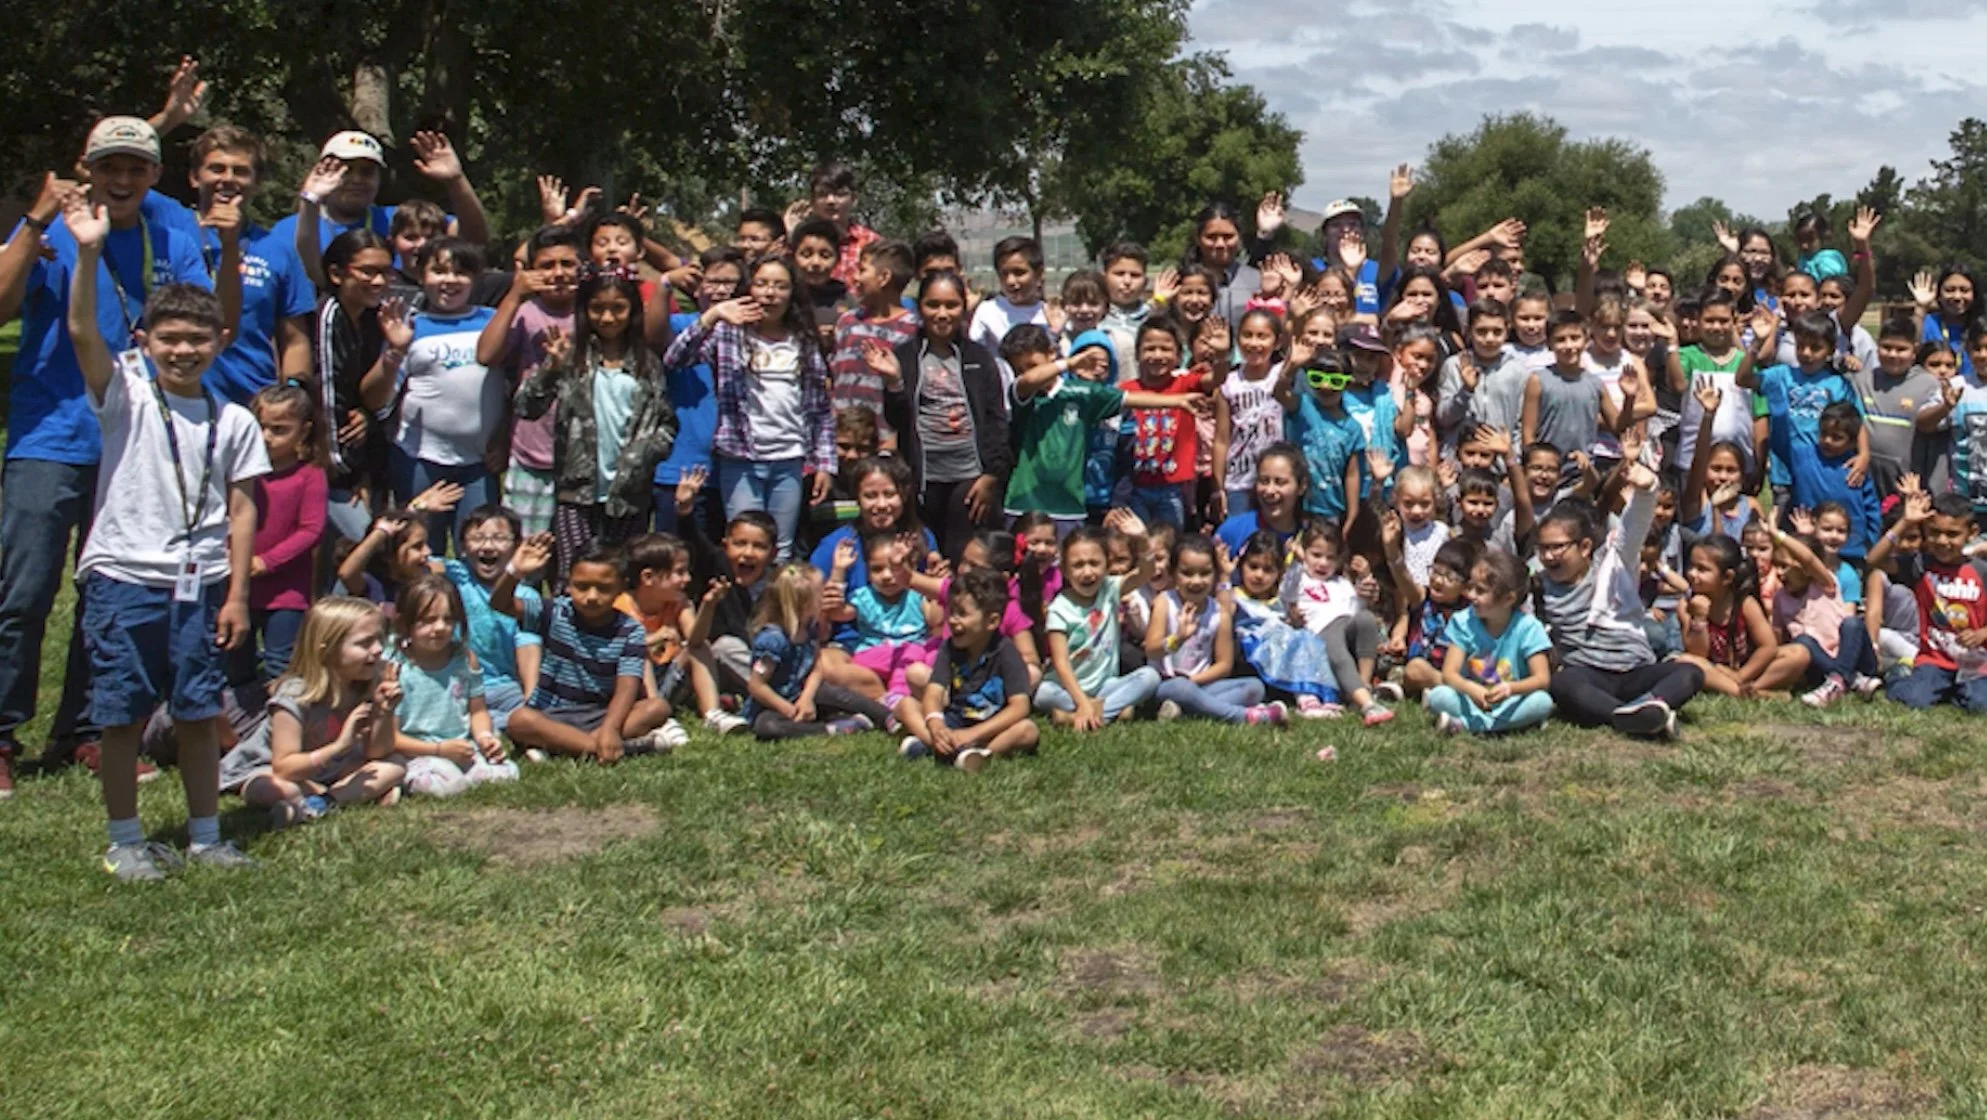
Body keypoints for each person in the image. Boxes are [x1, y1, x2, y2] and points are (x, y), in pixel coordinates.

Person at [0, 119, 232, 785]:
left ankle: (85, 728)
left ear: (154, 177)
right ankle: (3, 736)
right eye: (110, 167)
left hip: (133, 440)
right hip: (51, 434)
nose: (122, 180)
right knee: (24, 590)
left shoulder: (171, 237)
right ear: (87, 169)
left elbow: (202, 320)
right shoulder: (52, 234)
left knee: (108, 592)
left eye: (136, 168)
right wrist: (36, 224)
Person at [63, 194, 264, 876]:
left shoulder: (233, 418)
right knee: (120, 717)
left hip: (202, 583)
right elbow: (82, 330)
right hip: (126, 576)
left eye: (196, 339)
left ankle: (205, 838)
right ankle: (125, 841)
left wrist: (236, 593)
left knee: (198, 712)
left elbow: (242, 510)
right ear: (144, 342)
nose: (182, 349)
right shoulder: (123, 392)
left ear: (220, 343)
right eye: (168, 338)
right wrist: (88, 253)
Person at [663, 254, 836, 561]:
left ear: (792, 293)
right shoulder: (728, 332)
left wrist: (824, 463)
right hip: (741, 458)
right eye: (762, 284)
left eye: (780, 286)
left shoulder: (803, 340)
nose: (770, 293)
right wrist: (712, 315)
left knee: (780, 550)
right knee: (745, 549)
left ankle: (774, 608)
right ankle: (744, 608)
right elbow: (675, 358)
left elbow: (819, 409)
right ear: (749, 288)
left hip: (790, 459)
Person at [516, 266, 678, 573]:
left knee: (622, 576)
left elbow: (666, 423)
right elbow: (526, 407)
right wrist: (551, 368)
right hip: (577, 492)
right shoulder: (571, 357)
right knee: (574, 573)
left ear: (631, 310)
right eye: (597, 308)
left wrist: (645, 455)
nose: (607, 318)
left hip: (629, 494)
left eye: (617, 308)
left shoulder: (647, 363)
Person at [1533, 468, 1705, 739]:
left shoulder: (1612, 565)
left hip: (1635, 668)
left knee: (1690, 673)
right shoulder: (1539, 584)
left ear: (1585, 547)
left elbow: (1632, 529)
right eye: (1543, 548)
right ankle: (1630, 716)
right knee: (1563, 684)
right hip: (1589, 673)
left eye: (1557, 547)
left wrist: (1647, 491)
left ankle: (1640, 710)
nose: (1549, 556)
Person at [869, 270, 1010, 559]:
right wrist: (894, 382)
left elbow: (996, 420)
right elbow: (897, 421)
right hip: (924, 478)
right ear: (920, 307)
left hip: (970, 478)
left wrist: (991, 475)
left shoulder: (979, 358)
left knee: (964, 555)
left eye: (951, 305)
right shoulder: (905, 356)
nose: (942, 313)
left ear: (963, 307)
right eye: (933, 305)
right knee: (926, 555)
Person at [175, 126, 316, 406]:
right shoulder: (167, 231)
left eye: (240, 171)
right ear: (194, 177)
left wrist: (291, 392)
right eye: (216, 168)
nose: (227, 179)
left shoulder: (277, 250)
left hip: (251, 401)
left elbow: (295, 340)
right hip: (176, 396)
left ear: (257, 182)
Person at [235, 598, 406, 829]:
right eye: (365, 643)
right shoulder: (295, 695)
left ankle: (321, 803)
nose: (377, 650)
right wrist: (339, 747)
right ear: (328, 652)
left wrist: (384, 712)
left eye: (379, 640)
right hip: (275, 769)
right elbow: (284, 767)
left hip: (331, 769)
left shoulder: (367, 683)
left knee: (394, 764)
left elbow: (378, 752)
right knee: (270, 787)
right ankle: (345, 795)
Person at [385, 238, 502, 546]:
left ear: (476, 278)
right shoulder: (408, 326)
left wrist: (505, 436)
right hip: (420, 458)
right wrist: (394, 351)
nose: (450, 280)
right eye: (438, 271)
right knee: (420, 549)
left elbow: (514, 384)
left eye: (461, 272)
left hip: (479, 462)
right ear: (422, 276)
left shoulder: (493, 320)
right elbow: (380, 396)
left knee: (480, 548)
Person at [477, 224, 586, 537]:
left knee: (574, 558)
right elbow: (486, 355)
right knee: (526, 551)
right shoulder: (525, 312)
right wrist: (514, 295)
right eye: (547, 266)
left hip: (584, 461)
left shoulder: (595, 312)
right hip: (532, 456)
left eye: (567, 264)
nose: (558, 273)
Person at [283, 129, 488, 278]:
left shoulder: (398, 220)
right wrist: (309, 201)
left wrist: (456, 181)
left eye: (367, 172)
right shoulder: (290, 228)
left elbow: (473, 239)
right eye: (345, 170)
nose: (356, 180)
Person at [388, 574, 520, 797]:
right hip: (416, 752)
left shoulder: (465, 659)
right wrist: (439, 750)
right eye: (428, 620)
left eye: (448, 619)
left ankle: (465, 774)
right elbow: (391, 737)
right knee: (445, 786)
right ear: (404, 622)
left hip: (461, 747)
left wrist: (485, 738)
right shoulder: (395, 667)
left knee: (507, 773)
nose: (440, 627)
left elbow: (477, 711)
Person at [895, 568, 1041, 770]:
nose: (953, 620)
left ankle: (981, 753)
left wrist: (973, 734)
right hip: (953, 723)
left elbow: (1020, 706)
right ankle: (941, 745)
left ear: (992, 621)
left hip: (990, 729)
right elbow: (934, 692)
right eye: (952, 612)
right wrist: (936, 724)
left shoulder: (1006, 652)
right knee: (906, 705)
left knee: (1028, 730)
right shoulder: (949, 647)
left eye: (962, 614)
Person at [1146, 534, 1287, 725]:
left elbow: (1224, 664)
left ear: (1214, 574)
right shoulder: (1165, 602)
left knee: (1255, 687)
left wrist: (1194, 681)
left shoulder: (1218, 613)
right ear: (1173, 573)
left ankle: (1185, 711)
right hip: (1167, 684)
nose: (1196, 581)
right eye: (1187, 573)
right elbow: (1151, 649)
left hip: (1201, 684)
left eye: (1205, 573)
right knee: (1181, 689)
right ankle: (1246, 717)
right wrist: (1176, 640)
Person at [652, 246, 744, 537]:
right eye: (712, 282)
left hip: (734, 471)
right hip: (680, 469)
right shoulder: (682, 325)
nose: (720, 290)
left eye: (729, 283)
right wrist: (665, 283)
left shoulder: (753, 333)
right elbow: (654, 336)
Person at [1035, 519, 1162, 728]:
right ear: (1065, 571)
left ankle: (1084, 715)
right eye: (1078, 565)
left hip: (1105, 686)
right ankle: (1106, 710)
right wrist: (1082, 701)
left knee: (1150, 677)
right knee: (1043, 694)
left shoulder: (1109, 589)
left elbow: (1145, 573)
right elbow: (1061, 664)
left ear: (1107, 565)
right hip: (1068, 688)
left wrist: (1142, 540)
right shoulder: (1059, 608)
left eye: (1094, 563)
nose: (1087, 573)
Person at [745, 561, 893, 739]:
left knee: (838, 694)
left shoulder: (809, 629)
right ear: (805, 604)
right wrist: (787, 709)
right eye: (820, 594)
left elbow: (816, 667)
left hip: (804, 693)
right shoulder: (773, 640)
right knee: (767, 726)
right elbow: (757, 685)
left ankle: (888, 717)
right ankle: (829, 729)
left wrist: (806, 698)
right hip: (774, 705)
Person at [242, 384, 327, 680]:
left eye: (279, 430)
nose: (266, 437)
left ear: (303, 432)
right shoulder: (240, 474)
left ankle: (281, 725)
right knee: (235, 667)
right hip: (238, 585)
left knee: (282, 668)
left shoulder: (310, 475)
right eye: (260, 427)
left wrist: (267, 561)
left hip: (287, 592)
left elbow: (311, 529)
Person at [1427, 549, 1555, 736]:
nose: (1471, 595)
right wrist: (1471, 689)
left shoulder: (1528, 627)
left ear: (1508, 599)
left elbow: (1542, 679)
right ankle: (1502, 725)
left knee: (1542, 701)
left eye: (1480, 591)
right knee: (1439, 696)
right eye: (1471, 587)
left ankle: (1470, 725)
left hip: (1511, 699)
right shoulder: (1463, 621)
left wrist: (1510, 688)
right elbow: (1449, 674)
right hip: (1472, 698)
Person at [440, 506, 541, 731]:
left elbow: (529, 647)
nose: (487, 546)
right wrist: (419, 511)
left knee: (532, 717)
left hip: (505, 689)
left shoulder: (526, 597)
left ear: (516, 546)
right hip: (454, 686)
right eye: (477, 538)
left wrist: (531, 703)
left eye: (499, 538)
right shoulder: (452, 577)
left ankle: (511, 723)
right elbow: (405, 558)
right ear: (463, 548)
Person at [1887, 494, 1987, 711]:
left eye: (1952, 534)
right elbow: (1875, 560)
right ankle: (1898, 676)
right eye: (1935, 533)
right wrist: (1905, 522)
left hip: (1976, 663)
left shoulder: (1981, 571)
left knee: (1979, 705)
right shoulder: (1920, 565)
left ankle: (1955, 690)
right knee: (1914, 700)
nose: (1942, 541)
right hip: (1933, 660)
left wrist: (1982, 634)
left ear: (1972, 533)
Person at [827, 239, 918, 445]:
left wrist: (894, 438)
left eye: (862, 270)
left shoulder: (912, 329)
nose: (855, 277)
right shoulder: (847, 322)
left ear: (884, 277)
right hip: (842, 439)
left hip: (886, 441)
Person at [968, 237, 1050, 384]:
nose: (1010, 281)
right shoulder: (988, 311)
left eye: (1019, 273)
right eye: (1003, 274)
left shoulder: (1050, 314)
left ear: (1039, 273)